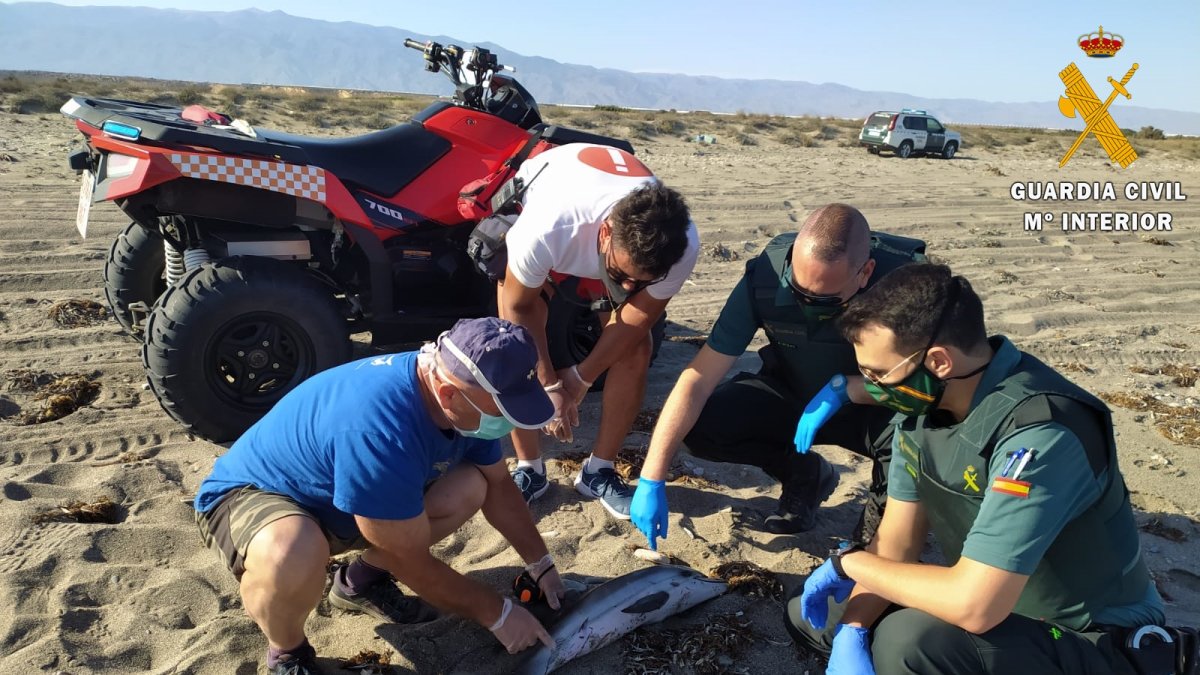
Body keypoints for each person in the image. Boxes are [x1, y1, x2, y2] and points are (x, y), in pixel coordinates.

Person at [785, 263, 1164, 675]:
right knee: (816, 615)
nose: (870, 386)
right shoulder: (922, 411)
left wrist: (848, 563)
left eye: (878, 374)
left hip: (1087, 633)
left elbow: (975, 606)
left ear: (938, 362)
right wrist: (852, 630)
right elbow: (896, 545)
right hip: (998, 598)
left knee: (908, 642)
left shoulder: (1041, 433)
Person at [193, 317, 567, 675]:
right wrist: (496, 612)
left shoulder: (458, 398)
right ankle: (288, 652)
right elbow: (411, 561)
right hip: (257, 498)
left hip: (356, 503)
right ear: (449, 393)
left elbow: (500, 485)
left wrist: (541, 562)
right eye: (500, 409)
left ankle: (359, 582)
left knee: (472, 486)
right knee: (291, 553)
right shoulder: (380, 427)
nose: (506, 421)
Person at [631, 203, 926, 543]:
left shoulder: (909, 285)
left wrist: (849, 388)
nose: (806, 305)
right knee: (703, 424)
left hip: (876, 408)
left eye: (825, 300)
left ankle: (874, 539)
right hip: (792, 395)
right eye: (797, 291)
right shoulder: (766, 276)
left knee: (914, 445)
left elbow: (937, 388)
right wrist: (651, 478)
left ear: (865, 272)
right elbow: (699, 377)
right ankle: (805, 475)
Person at [498, 142, 699, 519]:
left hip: (595, 241)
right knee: (511, 348)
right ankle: (529, 469)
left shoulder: (682, 246)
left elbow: (638, 320)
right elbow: (519, 308)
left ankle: (599, 471)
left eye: (640, 281)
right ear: (606, 233)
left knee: (637, 350)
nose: (626, 288)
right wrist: (549, 384)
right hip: (546, 209)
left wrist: (579, 378)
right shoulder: (548, 228)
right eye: (620, 275)